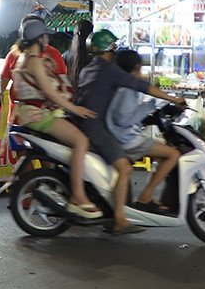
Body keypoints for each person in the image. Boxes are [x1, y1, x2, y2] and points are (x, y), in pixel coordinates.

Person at [75, 29, 186, 234]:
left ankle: (139, 200)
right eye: (113, 47)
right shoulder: (108, 69)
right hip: (97, 128)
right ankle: (120, 219)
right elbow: (141, 87)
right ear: (108, 49)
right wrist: (173, 99)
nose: (115, 52)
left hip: (88, 124)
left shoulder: (87, 69)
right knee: (125, 168)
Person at [9, 19, 102, 220]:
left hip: (30, 114)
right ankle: (78, 195)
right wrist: (75, 109)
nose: (47, 39)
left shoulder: (22, 59)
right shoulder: (33, 61)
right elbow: (50, 93)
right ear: (39, 39)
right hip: (39, 116)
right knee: (81, 141)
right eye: (45, 36)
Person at [106, 49, 183, 208]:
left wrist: (150, 106)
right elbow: (124, 119)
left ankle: (147, 195)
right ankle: (146, 195)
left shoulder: (120, 84)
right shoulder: (128, 89)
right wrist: (150, 106)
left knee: (162, 155)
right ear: (136, 67)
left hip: (121, 136)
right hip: (127, 140)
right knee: (173, 154)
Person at [0, 13, 67, 104]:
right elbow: (4, 78)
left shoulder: (53, 53)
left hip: (43, 112)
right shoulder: (14, 54)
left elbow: (62, 81)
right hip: (30, 113)